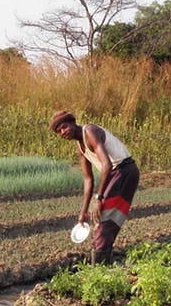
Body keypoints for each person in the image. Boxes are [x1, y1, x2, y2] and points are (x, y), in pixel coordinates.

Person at [50, 110, 140, 264]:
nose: (63, 132)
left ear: (73, 123)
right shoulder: (80, 147)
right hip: (117, 173)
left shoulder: (90, 132)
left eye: (64, 127)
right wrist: (83, 211)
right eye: (59, 131)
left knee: (104, 215)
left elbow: (107, 165)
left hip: (124, 170)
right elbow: (88, 179)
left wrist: (99, 198)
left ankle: (99, 264)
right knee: (103, 218)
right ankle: (102, 258)